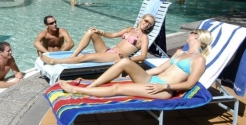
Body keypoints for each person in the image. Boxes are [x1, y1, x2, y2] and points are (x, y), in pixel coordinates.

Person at [59, 29, 213, 99]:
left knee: (117, 88)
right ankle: (91, 87)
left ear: (198, 37)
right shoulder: (180, 52)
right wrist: (133, 72)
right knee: (125, 61)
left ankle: (76, 90)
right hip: (152, 79)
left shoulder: (199, 59)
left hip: (163, 89)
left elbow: (190, 84)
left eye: (192, 33)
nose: (189, 34)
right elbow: (159, 69)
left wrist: (164, 87)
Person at [41, 14, 155, 65]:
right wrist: (100, 32)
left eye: (150, 24)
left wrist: (126, 60)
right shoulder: (129, 29)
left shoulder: (144, 38)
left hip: (117, 56)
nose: (147, 24)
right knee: (91, 32)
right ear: (141, 20)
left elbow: (143, 56)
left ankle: (54, 61)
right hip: (108, 50)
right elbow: (113, 35)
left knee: (85, 57)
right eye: (146, 21)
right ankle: (73, 56)